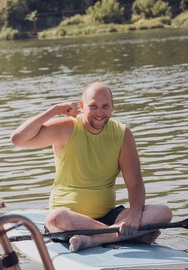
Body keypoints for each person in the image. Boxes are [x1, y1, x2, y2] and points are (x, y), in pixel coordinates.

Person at [10, 82, 172, 252]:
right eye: (93, 106)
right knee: (56, 218)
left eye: (105, 106)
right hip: (70, 221)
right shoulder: (67, 128)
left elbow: (135, 183)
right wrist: (55, 109)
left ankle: (96, 239)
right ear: (81, 106)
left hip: (109, 216)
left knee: (163, 212)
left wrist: (133, 215)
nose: (100, 113)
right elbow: (18, 139)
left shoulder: (123, 134)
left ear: (112, 107)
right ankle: (123, 235)